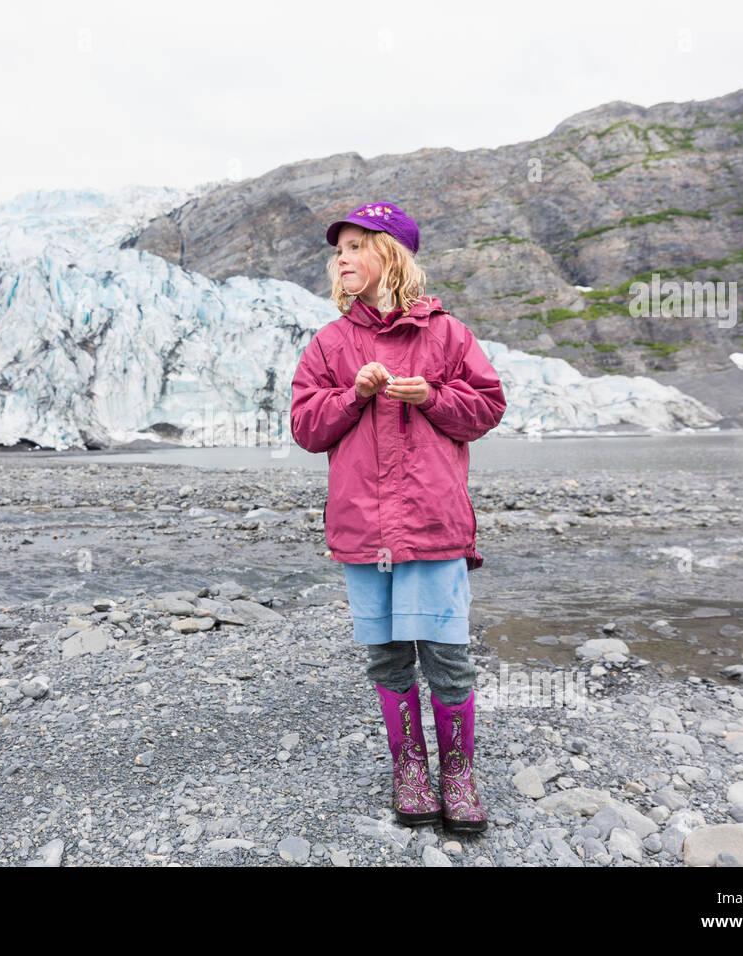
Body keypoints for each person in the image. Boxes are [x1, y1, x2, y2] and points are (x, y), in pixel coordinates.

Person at [289, 201, 507, 833]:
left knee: (447, 653)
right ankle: (409, 765)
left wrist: (434, 396)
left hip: (432, 523)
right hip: (365, 527)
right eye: (339, 250)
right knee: (386, 657)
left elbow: (487, 407)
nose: (343, 258)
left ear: (391, 254)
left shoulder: (448, 334)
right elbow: (305, 427)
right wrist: (352, 393)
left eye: (357, 246)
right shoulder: (330, 343)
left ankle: (458, 772)